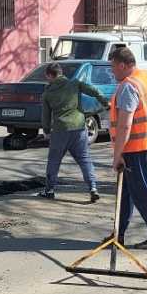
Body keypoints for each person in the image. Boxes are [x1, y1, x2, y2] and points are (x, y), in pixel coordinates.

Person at [105, 47, 147, 250]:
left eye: (113, 67)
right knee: (126, 191)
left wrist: (118, 155)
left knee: (139, 192)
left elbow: (125, 125)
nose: (111, 72)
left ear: (123, 65)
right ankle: (118, 233)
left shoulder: (128, 87)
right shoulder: (146, 76)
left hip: (137, 147)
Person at [39, 63, 109, 202]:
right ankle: (93, 188)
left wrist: (46, 130)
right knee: (84, 159)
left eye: (47, 77)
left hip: (60, 130)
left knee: (54, 160)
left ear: (49, 75)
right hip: (79, 128)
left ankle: (50, 190)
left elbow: (45, 116)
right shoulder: (75, 84)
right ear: (61, 72)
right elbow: (94, 90)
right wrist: (105, 103)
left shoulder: (47, 93)